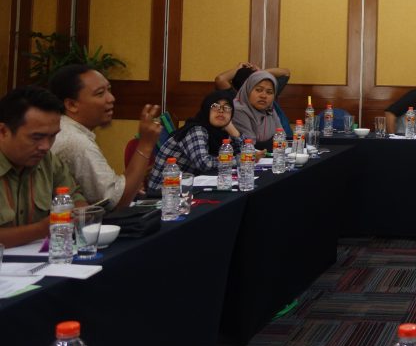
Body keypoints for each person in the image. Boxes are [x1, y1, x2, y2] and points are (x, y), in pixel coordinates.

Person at [49, 65, 162, 210]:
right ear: (71, 105)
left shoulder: (66, 127)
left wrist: (129, 185)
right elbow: (116, 202)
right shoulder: (75, 141)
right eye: (100, 93)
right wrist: (145, 144)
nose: (111, 98)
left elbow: (115, 191)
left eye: (109, 90)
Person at [0, 86, 87, 248]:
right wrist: (41, 229)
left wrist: (78, 212)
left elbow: (76, 199)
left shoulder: (47, 161)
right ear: (3, 131)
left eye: (52, 136)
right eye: (37, 137)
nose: (46, 146)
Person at [146, 89, 244, 195]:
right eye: (215, 106)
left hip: (186, 189)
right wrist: (243, 159)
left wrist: (234, 132)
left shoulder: (219, 132)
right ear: (206, 109)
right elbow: (205, 164)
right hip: (162, 194)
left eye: (227, 108)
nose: (221, 111)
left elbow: (243, 152)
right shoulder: (196, 130)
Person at [232, 70, 283, 148]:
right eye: (258, 90)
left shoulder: (269, 109)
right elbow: (249, 145)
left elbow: (281, 138)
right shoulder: (238, 110)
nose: (263, 96)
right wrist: (272, 143)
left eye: (269, 92)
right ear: (248, 90)